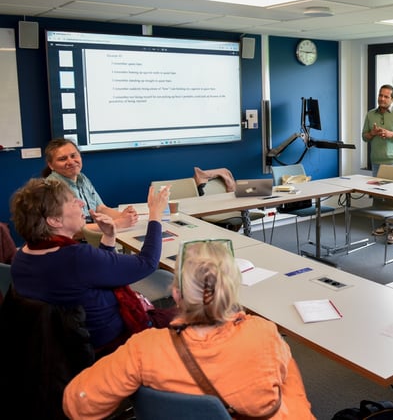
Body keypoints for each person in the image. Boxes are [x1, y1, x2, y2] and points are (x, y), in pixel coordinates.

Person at [63, 239, 315, 420]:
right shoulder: (264, 333)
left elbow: (78, 405)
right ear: (232, 292)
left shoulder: (143, 348)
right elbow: (292, 398)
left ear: (176, 294)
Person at [9, 178, 171, 353]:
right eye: (73, 201)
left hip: (64, 347)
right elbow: (147, 263)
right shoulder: (77, 257)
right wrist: (155, 215)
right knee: (192, 315)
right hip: (112, 344)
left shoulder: (22, 257)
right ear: (55, 220)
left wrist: (108, 237)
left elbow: (96, 273)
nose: (81, 203)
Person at [43, 138, 139, 229]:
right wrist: (118, 223)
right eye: (63, 159)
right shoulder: (51, 188)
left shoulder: (82, 178)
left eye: (73, 155)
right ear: (51, 165)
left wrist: (124, 216)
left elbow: (100, 208)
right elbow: (72, 230)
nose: (71, 161)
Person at [362, 84, 393, 244]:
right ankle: (384, 223)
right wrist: (372, 133)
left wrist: (391, 134)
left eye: (386, 96)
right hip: (376, 162)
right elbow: (364, 137)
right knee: (379, 197)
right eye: (380, 95)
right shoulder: (370, 114)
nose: (382, 99)